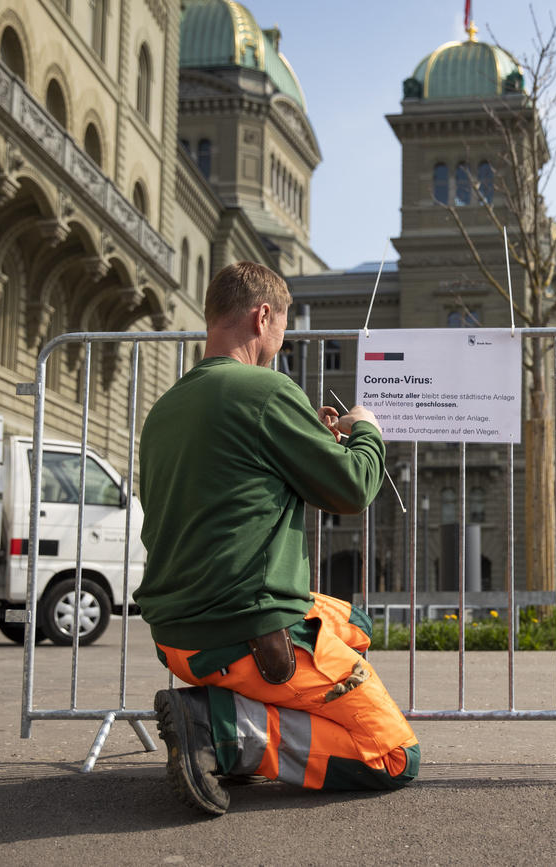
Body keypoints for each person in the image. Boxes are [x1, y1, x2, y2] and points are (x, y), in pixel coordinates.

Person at [135, 261, 418, 816]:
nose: (281, 344)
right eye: (282, 329)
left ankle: (231, 710)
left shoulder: (166, 409)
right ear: (263, 316)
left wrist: (305, 431)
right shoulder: (265, 390)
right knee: (392, 755)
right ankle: (220, 730)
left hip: (178, 633)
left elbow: (233, 481)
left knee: (353, 626)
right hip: (246, 632)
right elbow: (354, 487)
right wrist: (367, 430)